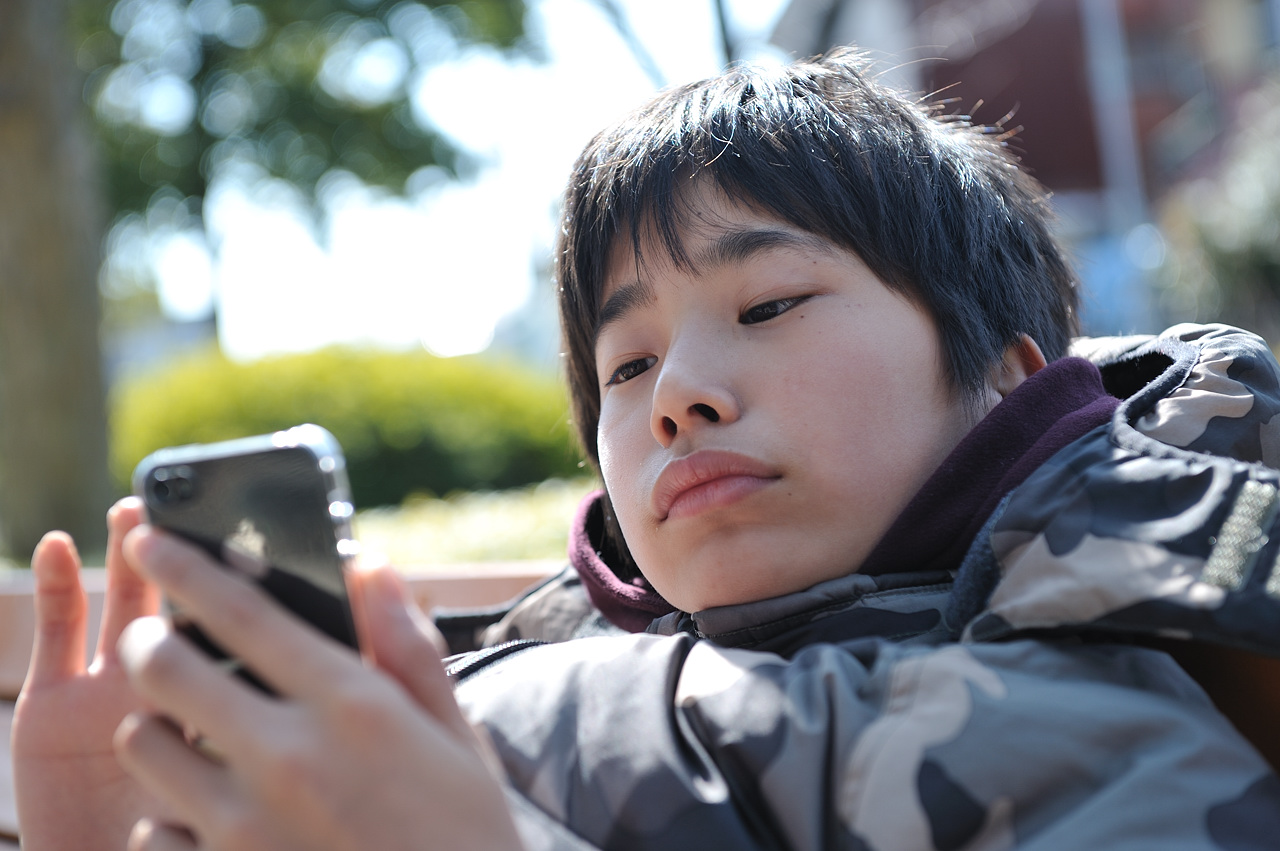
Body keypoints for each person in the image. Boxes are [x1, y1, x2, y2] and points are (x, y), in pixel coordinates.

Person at [13, 48, 1280, 850]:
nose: (674, 396)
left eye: (768, 306)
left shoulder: (1104, 716)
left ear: (1008, 377)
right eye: (624, 367)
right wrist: (102, 824)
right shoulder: (490, 680)